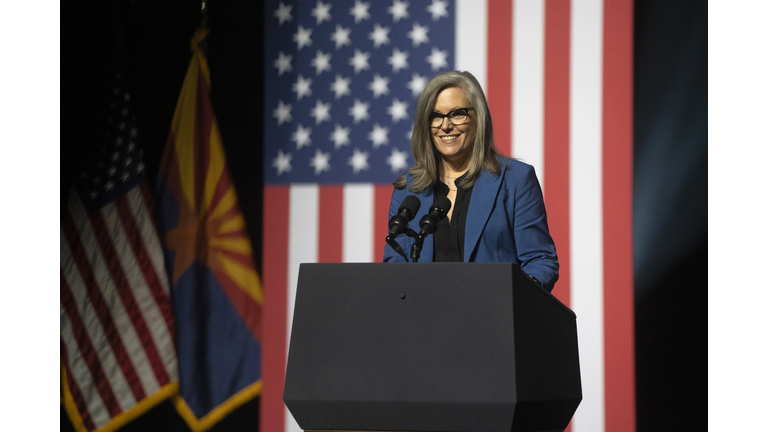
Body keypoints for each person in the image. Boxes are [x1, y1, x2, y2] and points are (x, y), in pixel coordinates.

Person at [383, 70, 559, 292]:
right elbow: (395, 263)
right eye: (436, 116)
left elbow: (540, 260)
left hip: (495, 318)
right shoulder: (409, 188)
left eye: (457, 114)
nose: (445, 126)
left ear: (479, 118)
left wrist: (519, 299)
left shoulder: (514, 180)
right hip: (427, 321)